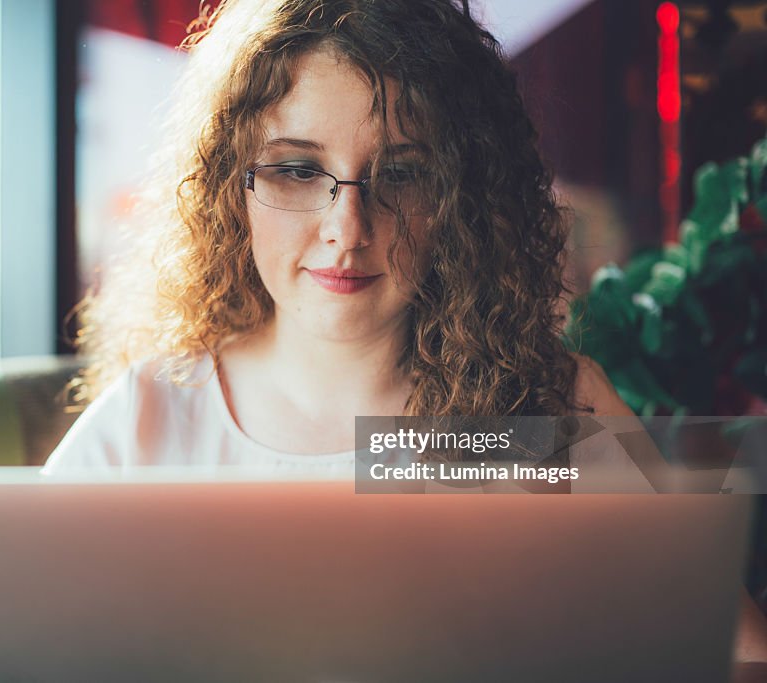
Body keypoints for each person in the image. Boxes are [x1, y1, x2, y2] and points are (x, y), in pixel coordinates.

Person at [43, 0, 767, 671]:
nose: (347, 230)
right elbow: (18, 637)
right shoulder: (149, 419)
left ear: (465, 200)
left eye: (403, 174)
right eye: (298, 169)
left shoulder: (546, 413)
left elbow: (741, 652)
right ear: (230, 185)